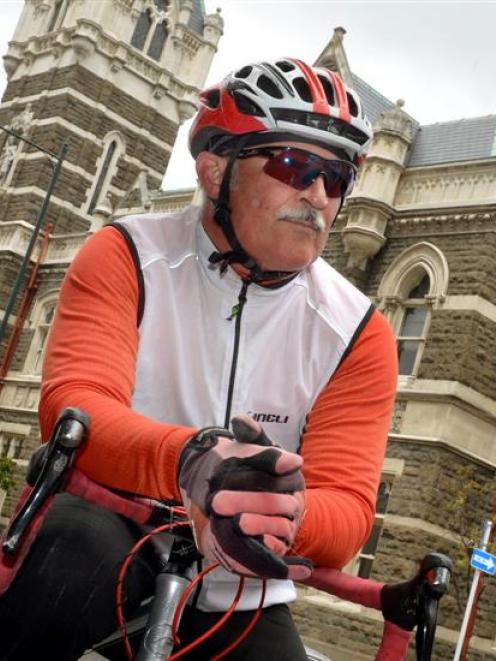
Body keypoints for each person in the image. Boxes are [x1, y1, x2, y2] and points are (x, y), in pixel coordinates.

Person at [0, 58, 398, 659]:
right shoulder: (125, 252)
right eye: (294, 165)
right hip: (111, 520)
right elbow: (75, 408)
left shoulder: (359, 330)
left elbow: (346, 508)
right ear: (216, 172)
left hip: (242, 573)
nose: (317, 195)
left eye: (337, 178)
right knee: (60, 567)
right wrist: (194, 461)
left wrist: (278, 507)